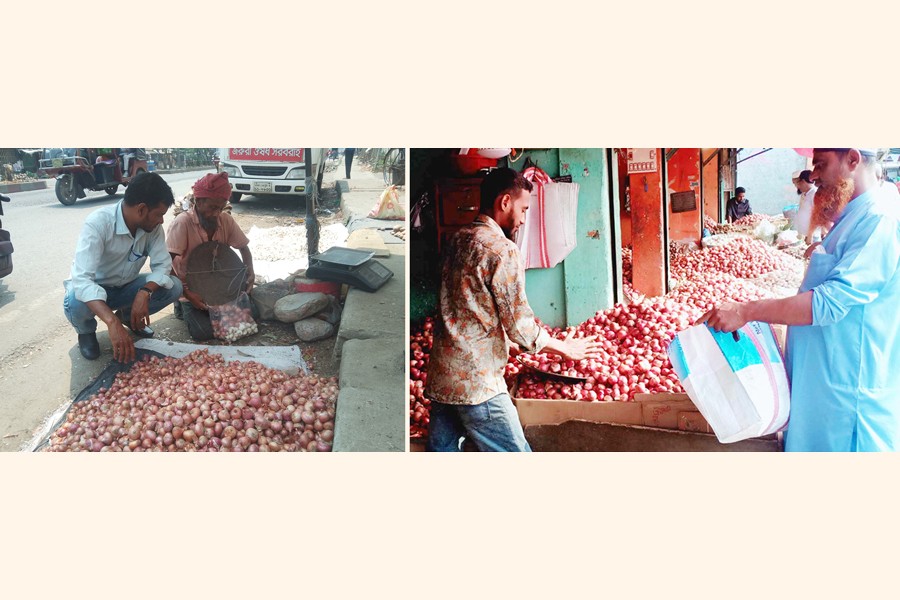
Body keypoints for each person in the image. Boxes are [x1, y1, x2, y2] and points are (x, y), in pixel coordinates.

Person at [698, 148, 900, 451]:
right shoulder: (853, 216)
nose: (814, 175)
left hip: (846, 402)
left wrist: (746, 311)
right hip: (821, 390)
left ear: (853, 160)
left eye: (821, 164)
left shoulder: (877, 220)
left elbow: (827, 303)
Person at [424, 167, 603, 452]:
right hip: (477, 383)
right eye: (523, 209)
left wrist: (503, 341)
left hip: (443, 378)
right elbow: (521, 327)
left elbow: (468, 304)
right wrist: (565, 348)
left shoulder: (458, 239)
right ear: (504, 202)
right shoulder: (502, 250)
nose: (523, 219)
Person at [64, 172, 182, 362]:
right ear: (142, 209)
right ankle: (86, 332)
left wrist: (144, 293)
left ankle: (128, 317)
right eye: (159, 214)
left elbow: (163, 266)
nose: (161, 221)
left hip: (126, 287)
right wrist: (111, 322)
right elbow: (82, 281)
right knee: (75, 300)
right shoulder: (98, 223)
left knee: (174, 286)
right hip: (97, 290)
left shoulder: (152, 228)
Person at [167, 172, 255, 341]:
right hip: (190, 287)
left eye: (220, 208)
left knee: (252, 313)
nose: (216, 214)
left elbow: (244, 248)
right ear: (198, 202)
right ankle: (180, 303)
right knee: (203, 332)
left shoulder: (225, 220)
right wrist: (187, 293)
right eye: (212, 208)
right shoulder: (182, 223)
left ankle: (191, 309)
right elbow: (166, 263)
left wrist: (250, 272)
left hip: (217, 282)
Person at [792, 169, 819, 244]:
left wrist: (810, 236)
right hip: (804, 234)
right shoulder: (807, 193)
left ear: (803, 181)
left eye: (798, 183)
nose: (798, 187)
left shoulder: (814, 193)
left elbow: (817, 216)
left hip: (811, 237)